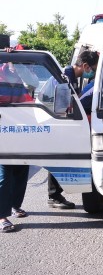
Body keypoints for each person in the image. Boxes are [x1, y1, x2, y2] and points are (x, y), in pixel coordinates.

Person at [48, 50, 99, 209]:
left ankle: (55, 194)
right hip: (57, 122)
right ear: (85, 66)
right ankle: (54, 196)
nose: (91, 73)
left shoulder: (71, 76)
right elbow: (62, 106)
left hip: (61, 121)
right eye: (92, 69)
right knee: (59, 157)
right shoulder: (64, 77)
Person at [0, 59, 33, 232]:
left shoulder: (16, 75)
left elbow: (30, 91)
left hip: (20, 130)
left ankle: (14, 205)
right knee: (4, 174)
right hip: (2, 132)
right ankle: (2, 216)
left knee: (21, 169)